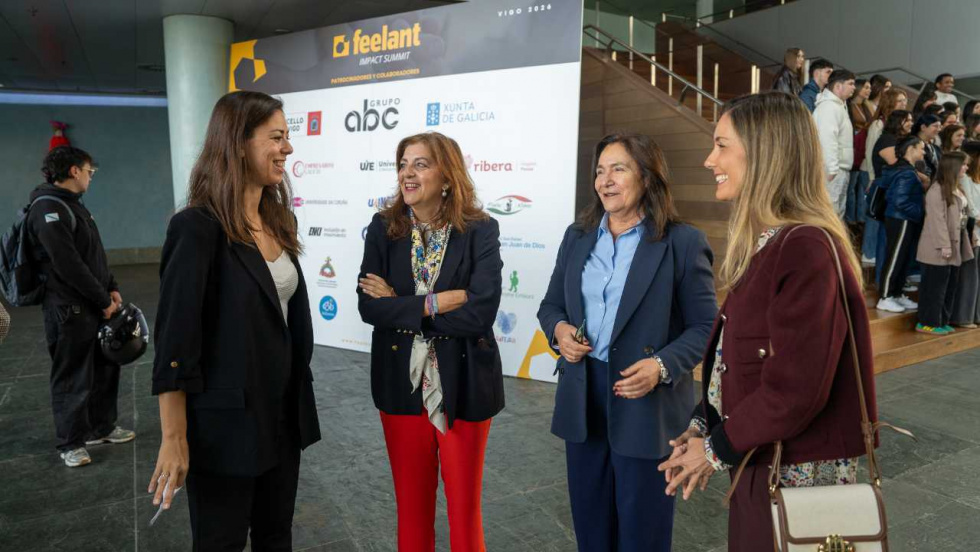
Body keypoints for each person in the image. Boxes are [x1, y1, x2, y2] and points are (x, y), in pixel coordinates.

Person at [656, 92, 877, 552]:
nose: (709, 160)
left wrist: (713, 450)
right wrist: (703, 424)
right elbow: (739, 364)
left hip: (795, 477)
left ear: (763, 153)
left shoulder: (805, 248)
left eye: (721, 145)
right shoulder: (770, 243)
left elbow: (795, 389)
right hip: (762, 459)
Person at [149, 91, 321, 550]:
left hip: (282, 416)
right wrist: (174, 437)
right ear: (239, 143)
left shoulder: (278, 219)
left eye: (287, 137)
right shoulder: (196, 228)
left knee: (276, 536)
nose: (287, 148)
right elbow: (175, 342)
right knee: (220, 542)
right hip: (224, 428)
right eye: (276, 137)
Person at [537, 132, 716, 552]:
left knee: (642, 535)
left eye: (618, 169)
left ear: (647, 177)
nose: (606, 180)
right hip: (583, 399)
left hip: (646, 406)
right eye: (600, 171)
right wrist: (560, 332)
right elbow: (550, 306)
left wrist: (661, 366)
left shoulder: (682, 242)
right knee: (591, 532)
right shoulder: (578, 236)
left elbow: (705, 327)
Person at [358, 131, 504, 552]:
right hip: (400, 386)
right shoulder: (383, 228)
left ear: (447, 176)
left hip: (465, 385)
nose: (408, 173)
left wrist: (401, 308)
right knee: (411, 510)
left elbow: (479, 314)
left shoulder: (480, 230)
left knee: (464, 511)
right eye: (403, 164)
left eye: (420, 164)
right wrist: (435, 303)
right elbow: (369, 308)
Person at [26, 146, 132, 468]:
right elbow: (68, 265)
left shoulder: (73, 205)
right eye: (89, 171)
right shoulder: (47, 209)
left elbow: (93, 253)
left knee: (104, 367)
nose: (90, 176)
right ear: (74, 171)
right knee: (73, 377)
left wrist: (111, 286)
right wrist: (103, 300)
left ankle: (101, 427)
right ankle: (70, 443)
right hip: (68, 309)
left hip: (93, 303)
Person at [915, 151, 974, 334]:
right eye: (963, 164)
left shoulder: (957, 188)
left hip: (955, 244)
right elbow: (937, 221)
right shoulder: (937, 190)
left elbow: (962, 217)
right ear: (953, 166)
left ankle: (941, 320)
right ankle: (927, 323)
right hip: (937, 247)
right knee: (934, 287)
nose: (966, 168)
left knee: (949, 286)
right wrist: (944, 245)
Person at [877, 136, 927, 313]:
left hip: (905, 219)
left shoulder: (906, 169)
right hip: (901, 219)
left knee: (903, 257)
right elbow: (899, 200)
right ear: (911, 149)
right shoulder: (906, 172)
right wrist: (920, 212)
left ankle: (896, 293)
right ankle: (885, 297)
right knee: (895, 257)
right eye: (921, 148)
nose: (924, 152)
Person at [862, 89, 909, 265]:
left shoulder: (898, 126)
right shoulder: (879, 124)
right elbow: (870, 151)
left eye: (905, 100)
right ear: (890, 103)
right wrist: (872, 177)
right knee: (874, 214)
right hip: (876, 175)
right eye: (899, 101)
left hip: (889, 179)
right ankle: (868, 252)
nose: (904, 104)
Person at [870, 110, 914, 280]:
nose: (911, 123)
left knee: (895, 240)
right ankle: (882, 281)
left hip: (896, 193)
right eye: (907, 120)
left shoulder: (900, 141)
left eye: (911, 120)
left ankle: (893, 281)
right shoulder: (887, 140)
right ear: (897, 122)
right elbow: (897, 165)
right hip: (887, 195)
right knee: (886, 239)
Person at [813, 69, 856, 217]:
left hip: (839, 170)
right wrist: (831, 169)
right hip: (833, 171)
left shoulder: (838, 106)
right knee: (829, 214)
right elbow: (826, 140)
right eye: (850, 83)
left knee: (836, 214)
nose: (854, 87)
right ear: (838, 86)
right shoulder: (829, 107)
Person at [951, 142, 980, 328]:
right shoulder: (965, 180)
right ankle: (963, 316)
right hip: (972, 233)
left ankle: (977, 314)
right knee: (969, 277)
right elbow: (970, 209)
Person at [847, 78, 874, 227]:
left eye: (869, 88)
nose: (869, 90)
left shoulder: (867, 107)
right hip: (853, 149)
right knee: (851, 187)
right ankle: (850, 219)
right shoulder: (849, 105)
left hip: (863, 150)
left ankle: (859, 218)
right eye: (866, 87)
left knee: (859, 187)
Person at [914, 114, 944, 182]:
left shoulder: (936, 148)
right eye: (935, 126)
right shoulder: (912, 145)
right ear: (923, 127)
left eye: (940, 127)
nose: (939, 129)